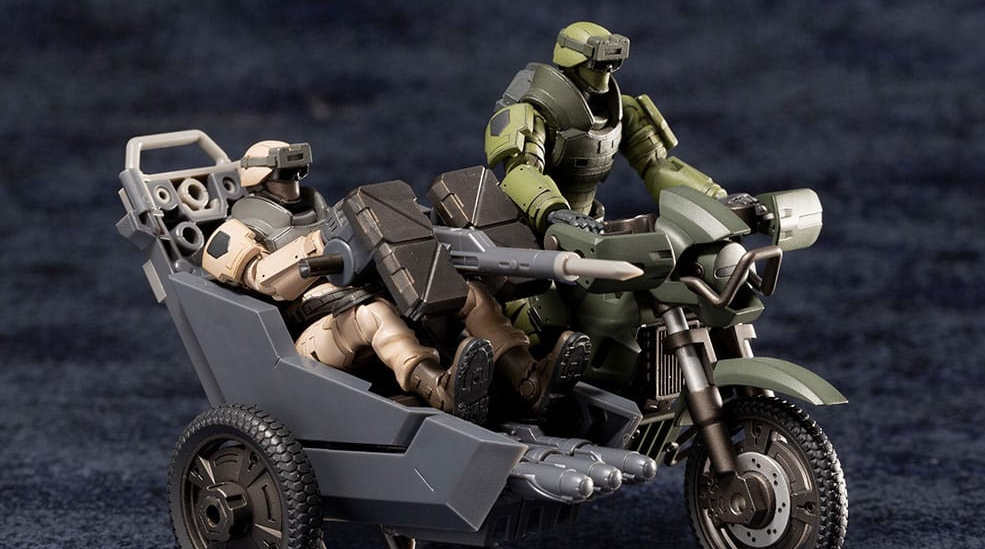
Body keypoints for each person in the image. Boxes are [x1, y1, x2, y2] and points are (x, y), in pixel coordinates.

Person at [202, 140, 588, 424]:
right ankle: (439, 390)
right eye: (283, 175)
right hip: (308, 339)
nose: (293, 183)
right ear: (259, 179)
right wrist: (319, 244)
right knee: (373, 314)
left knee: (467, 294)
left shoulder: (317, 210)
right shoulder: (234, 231)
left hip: (356, 300)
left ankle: (527, 378)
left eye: (297, 173)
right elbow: (263, 280)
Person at [485, 21, 727, 236]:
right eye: (599, 64)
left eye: (613, 63)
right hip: (537, 234)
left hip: (591, 228)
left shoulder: (622, 111)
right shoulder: (534, 115)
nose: (607, 70)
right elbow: (521, 171)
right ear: (574, 61)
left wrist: (712, 198)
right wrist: (555, 212)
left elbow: (657, 165)